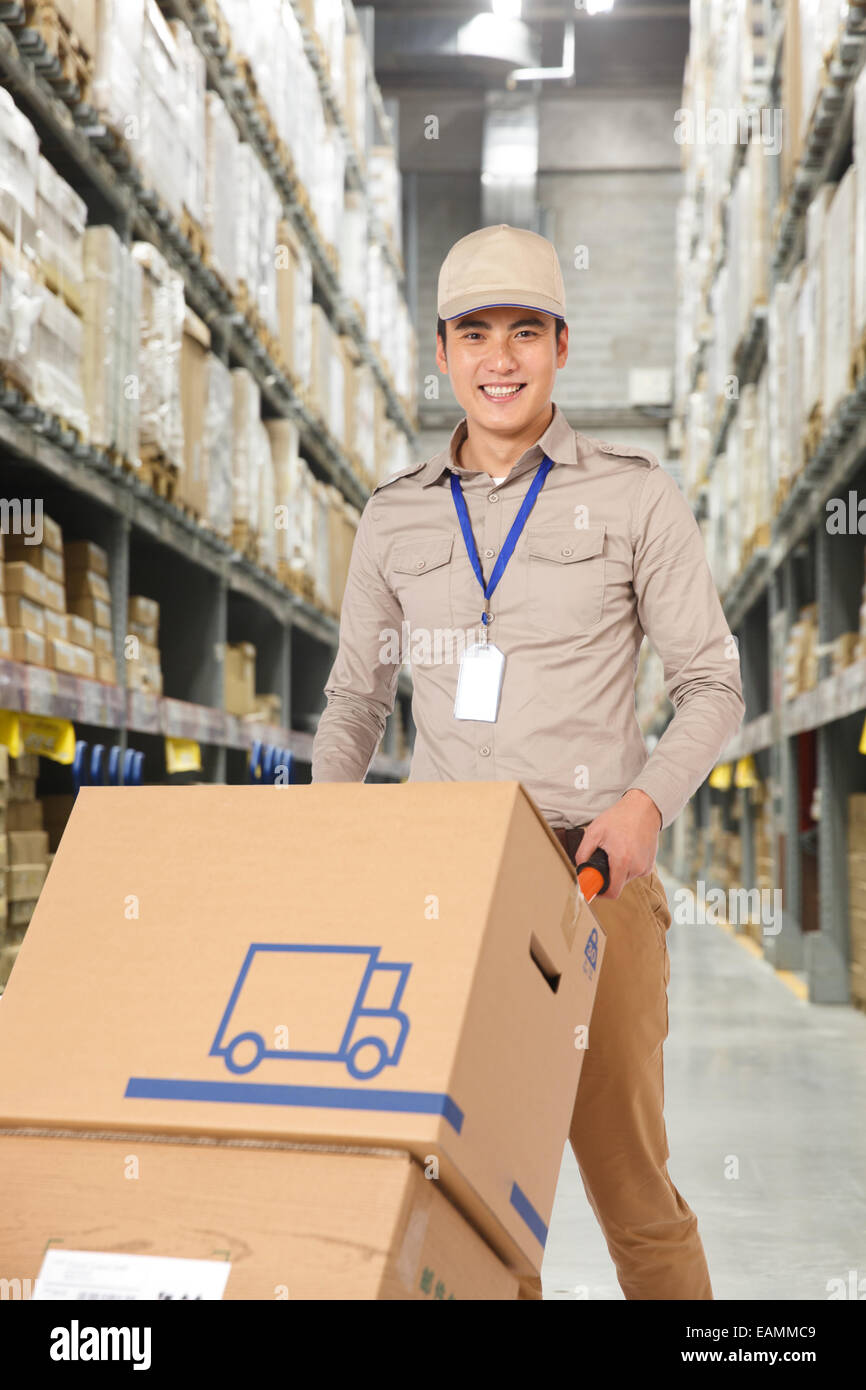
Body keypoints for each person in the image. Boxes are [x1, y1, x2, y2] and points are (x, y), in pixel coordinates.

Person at [311, 223, 745, 1299]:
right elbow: (355, 700)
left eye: (522, 332)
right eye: (473, 334)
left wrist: (646, 805)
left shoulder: (637, 495)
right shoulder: (394, 514)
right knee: (449, 1182)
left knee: (627, 1183)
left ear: (561, 344)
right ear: (444, 352)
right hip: (438, 891)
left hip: (590, 885)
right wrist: (321, 835)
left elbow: (713, 686)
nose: (497, 358)